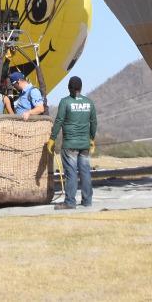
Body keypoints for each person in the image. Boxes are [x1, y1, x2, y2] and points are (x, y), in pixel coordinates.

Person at [50, 75, 97, 209]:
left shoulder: (65, 102)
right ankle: (87, 201)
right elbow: (93, 122)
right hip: (84, 144)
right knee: (85, 172)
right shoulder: (89, 102)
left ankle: (70, 202)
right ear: (81, 88)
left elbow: (59, 121)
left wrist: (52, 138)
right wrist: (92, 138)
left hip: (70, 144)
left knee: (71, 174)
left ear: (69, 88)